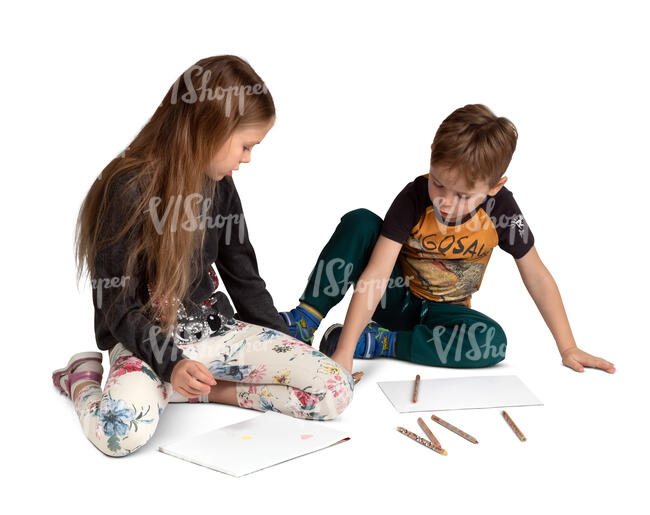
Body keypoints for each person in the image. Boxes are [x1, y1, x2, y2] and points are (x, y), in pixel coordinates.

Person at [52, 55, 354, 457]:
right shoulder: (126, 188)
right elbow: (116, 304)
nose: (247, 159)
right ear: (209, 130)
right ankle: (83, 381)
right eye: (246, 146)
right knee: (119, 434)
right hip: (146, 343)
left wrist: (287, 346)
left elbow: (244, 278)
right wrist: (171, 364)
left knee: (335, 388)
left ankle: (200, 392)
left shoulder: (221, 186)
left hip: (215, 333)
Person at [281, 104, 615, 375]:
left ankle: (383, 343)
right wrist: (343, 353)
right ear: (431, 158)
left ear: (493, 188)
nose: (445, 202)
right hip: (397, 299)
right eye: (439, 184)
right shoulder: (413, 196)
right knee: (361, 221)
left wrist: (567, 346)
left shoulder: (501, 210)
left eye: (464, 195)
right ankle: (307, 318)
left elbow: (537, 275)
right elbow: (377, 273)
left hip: (446, 317)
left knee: (493, 342)